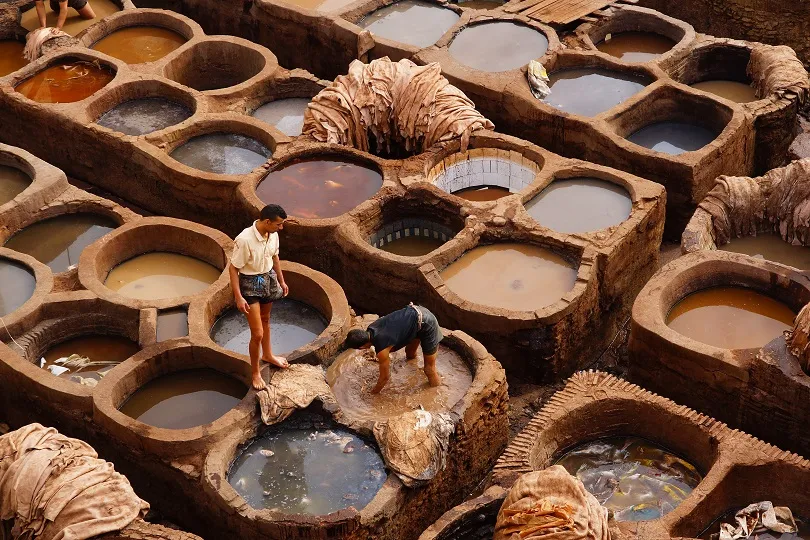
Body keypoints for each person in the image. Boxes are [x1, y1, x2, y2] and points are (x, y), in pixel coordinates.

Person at [229, 204, 290, 390]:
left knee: (266, 319)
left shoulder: (273, 234)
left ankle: (268, 355)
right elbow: (233, 268)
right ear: (267, 221)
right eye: (279, 224)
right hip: (249, 283)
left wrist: (281, 280)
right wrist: (238, 297)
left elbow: (275, 257)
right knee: (257, 334)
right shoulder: (245, 239)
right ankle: (255, 372)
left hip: (268, 278)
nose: (281, 228)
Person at [343, 303, 442, 394]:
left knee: (429, 369)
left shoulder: (382, 350)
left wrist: (373, 393)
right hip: (416, 315)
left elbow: (385, 377)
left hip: (427, 323)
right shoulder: (372, 328)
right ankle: (414, 366)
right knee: (409, 353)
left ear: (362, 347)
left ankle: (436, 392)